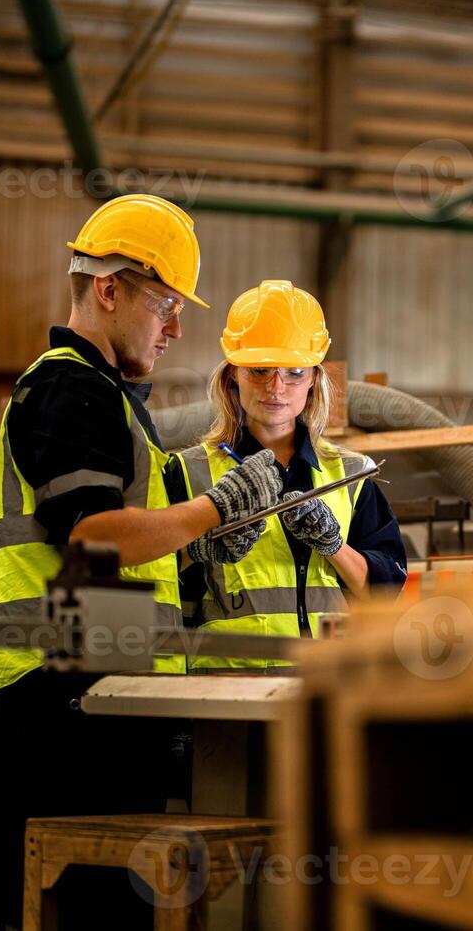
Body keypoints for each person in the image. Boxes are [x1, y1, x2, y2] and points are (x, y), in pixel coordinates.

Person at [0, 194, 282, 929]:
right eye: (165, 306)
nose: (178, 329)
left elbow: (130, 551)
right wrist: (211, 513)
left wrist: (205, 539)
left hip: (98, 696)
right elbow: (96, 536)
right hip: (62, 703)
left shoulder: (111, 400)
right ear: (108, 289)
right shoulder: (65, 386)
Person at [172, 280, 407, 669]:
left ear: (315, 378)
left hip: (327, 688)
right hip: (225, 692)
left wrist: (335, 547)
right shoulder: (189, 472)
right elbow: (146, 579)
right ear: (234, 374)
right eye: (260, 370)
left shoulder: (349, 474)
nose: (276, 387)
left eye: (295, 372)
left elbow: (385, 592)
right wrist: (195, 549)